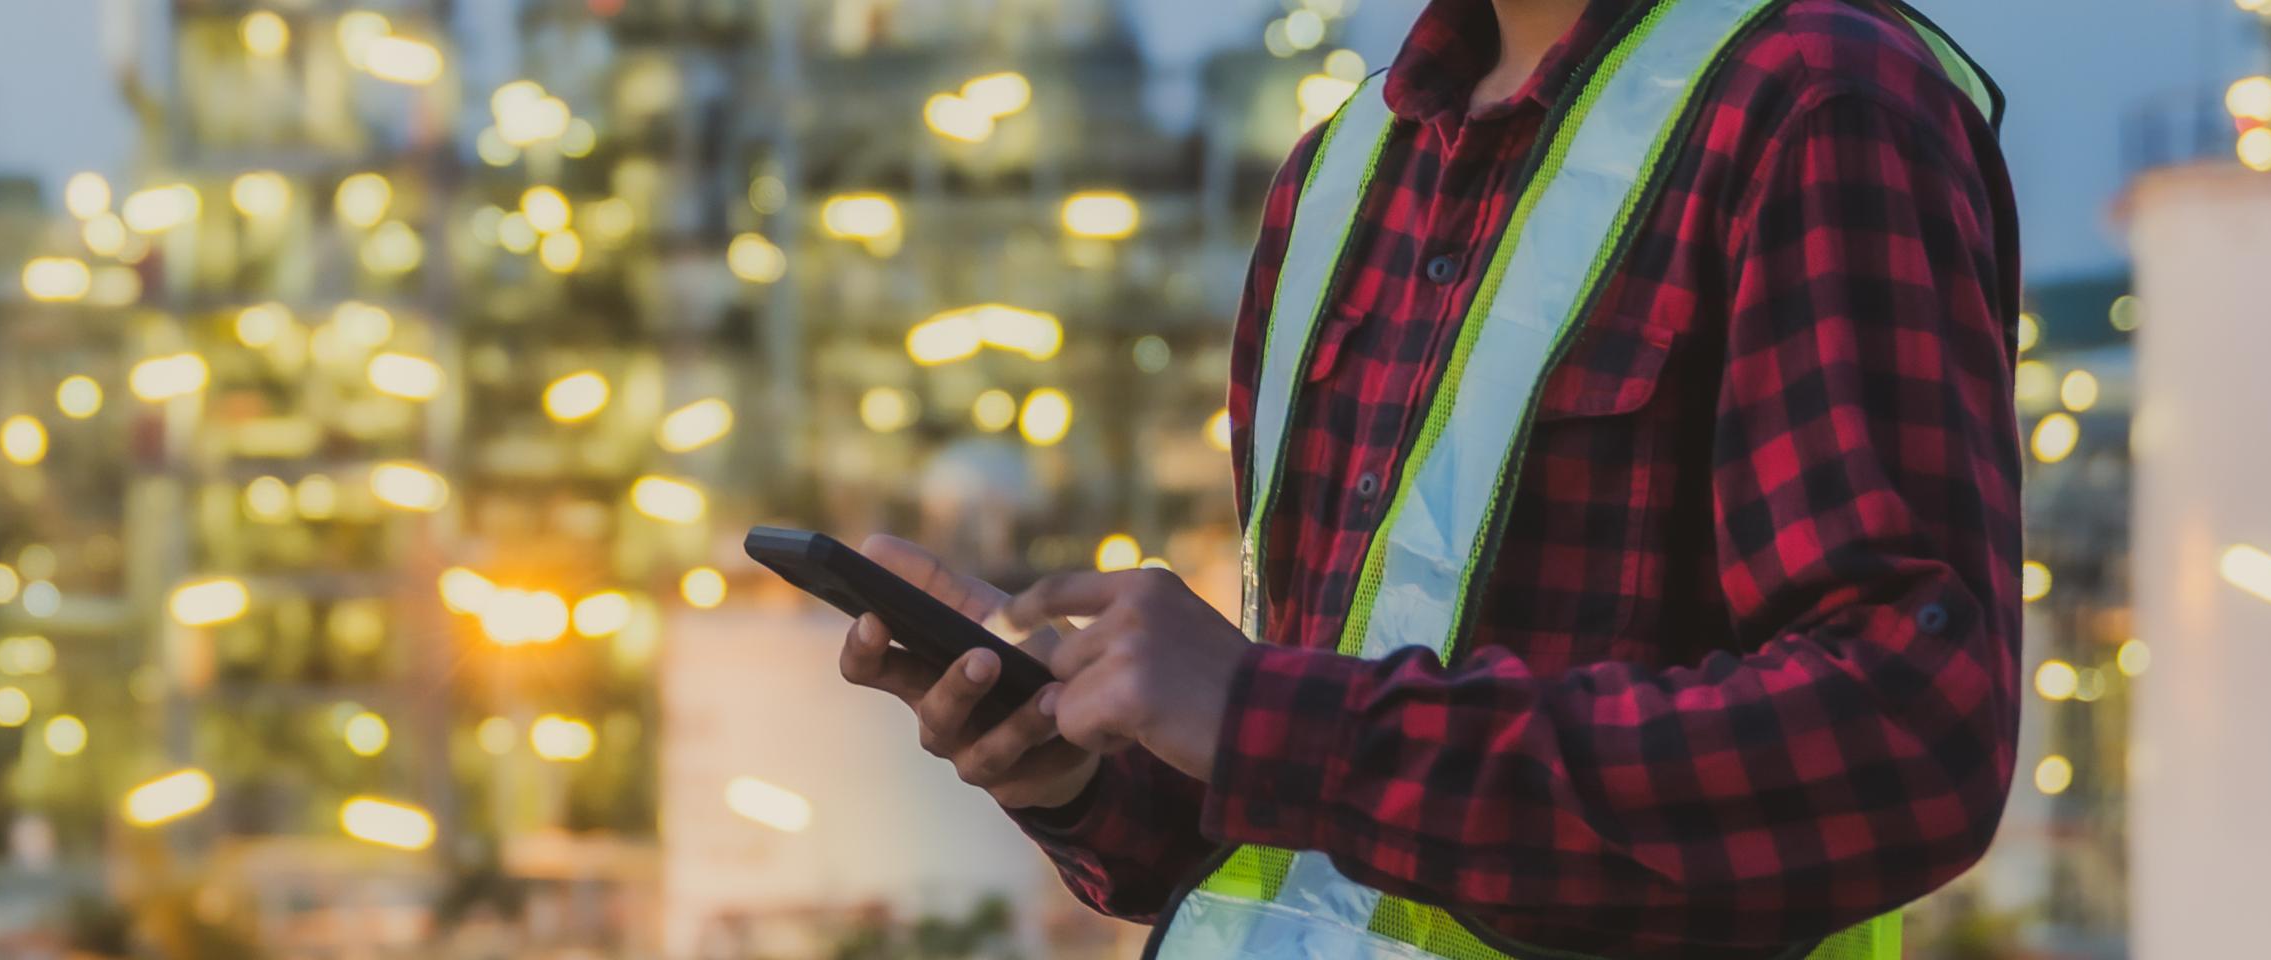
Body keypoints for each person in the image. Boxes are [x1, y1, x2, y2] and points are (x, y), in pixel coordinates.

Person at [837, 0, 2018, 956]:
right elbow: (1305, 834)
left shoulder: (1816, 99)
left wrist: (1266, 720)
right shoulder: (1343, 170)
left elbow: (1907, 734)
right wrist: (1080, 773)